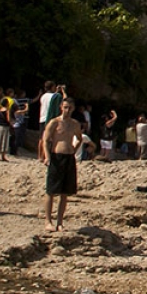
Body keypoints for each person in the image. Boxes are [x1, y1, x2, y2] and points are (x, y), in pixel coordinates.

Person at [43, 97, 82, 232]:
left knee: (65, 193)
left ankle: (60, 221)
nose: (67, 110)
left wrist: (74, 150)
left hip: (69, 157)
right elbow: (46, 140)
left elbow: (79, 139)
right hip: (56, 157)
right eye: (65, 107)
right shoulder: (54, 122)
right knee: (51, 191)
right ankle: (48, 221)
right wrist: (47, 157)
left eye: (70, 107)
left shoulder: (75, 124)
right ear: (61, 107)